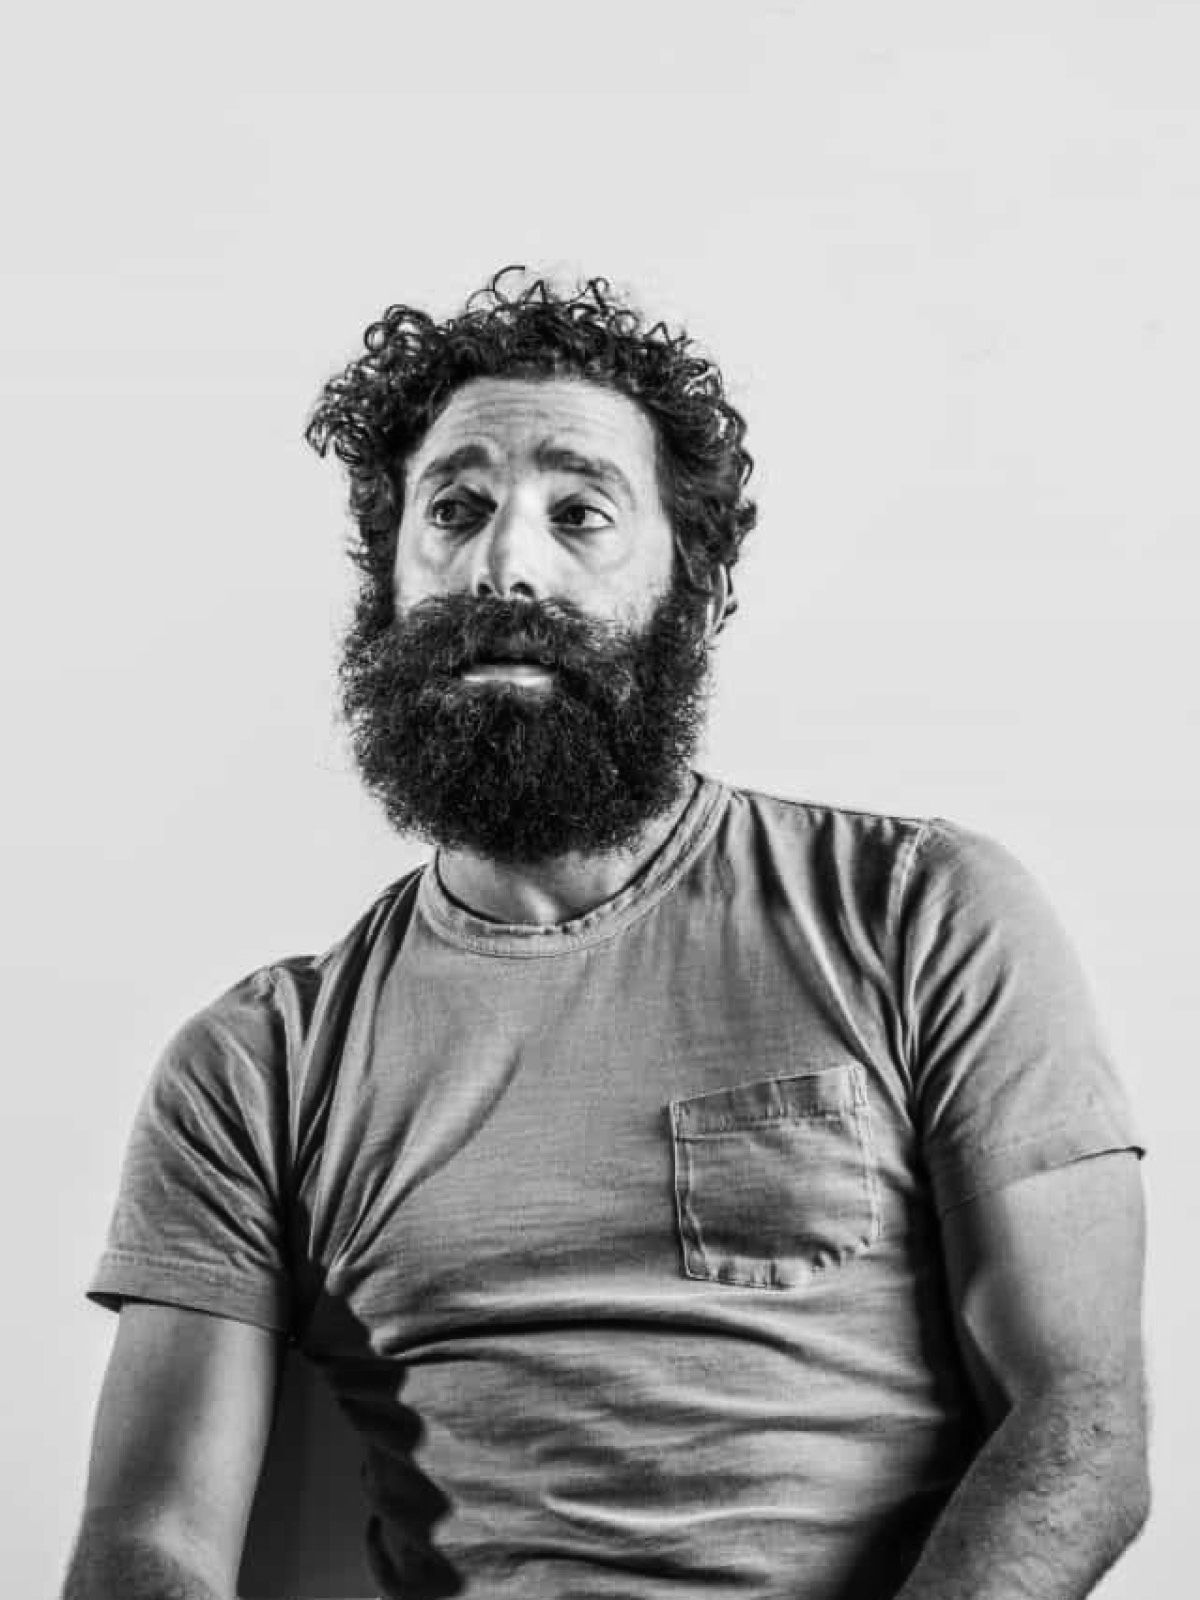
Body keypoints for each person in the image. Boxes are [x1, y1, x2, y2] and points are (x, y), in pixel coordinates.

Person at [63, 265, 1150, 1600]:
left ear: (697, 592)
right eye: (454, 511)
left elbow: (1080, 1425)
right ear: (385, 584)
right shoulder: (257, 1067)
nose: (505, 564)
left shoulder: (922, 911)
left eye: (580, 513)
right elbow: (151, 1539)